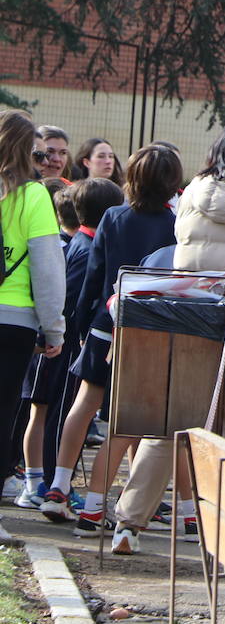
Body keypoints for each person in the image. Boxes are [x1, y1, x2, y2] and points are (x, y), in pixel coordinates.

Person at [106, 118, 225, 553]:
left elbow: (181, 247)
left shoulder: (192, 196)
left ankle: (128, 524)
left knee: (171, 427)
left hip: (195, 328)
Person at [40, 145, 182, 541]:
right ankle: (108, 504)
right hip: (150, 331)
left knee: (84, 402)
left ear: (130, 177)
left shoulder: (113, 217)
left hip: (106, 322)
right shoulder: (177, 223)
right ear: (173, 182)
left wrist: (82, 324)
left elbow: (95, 274)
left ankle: (59, 484)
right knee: (129, 421)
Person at [16, 179, 121, 513]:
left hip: (57, 342)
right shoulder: (85, 249)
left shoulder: (82, 243)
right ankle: (47, 484)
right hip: (62, 347)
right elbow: (69, 299)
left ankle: (40, 482)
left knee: (46, 412)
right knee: (54, 415)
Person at [0, 112, 67, 522]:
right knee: (4, 414)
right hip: (14, 320)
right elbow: (46, 268)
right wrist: (54, 326)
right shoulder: (34, 197)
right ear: (30, 152)